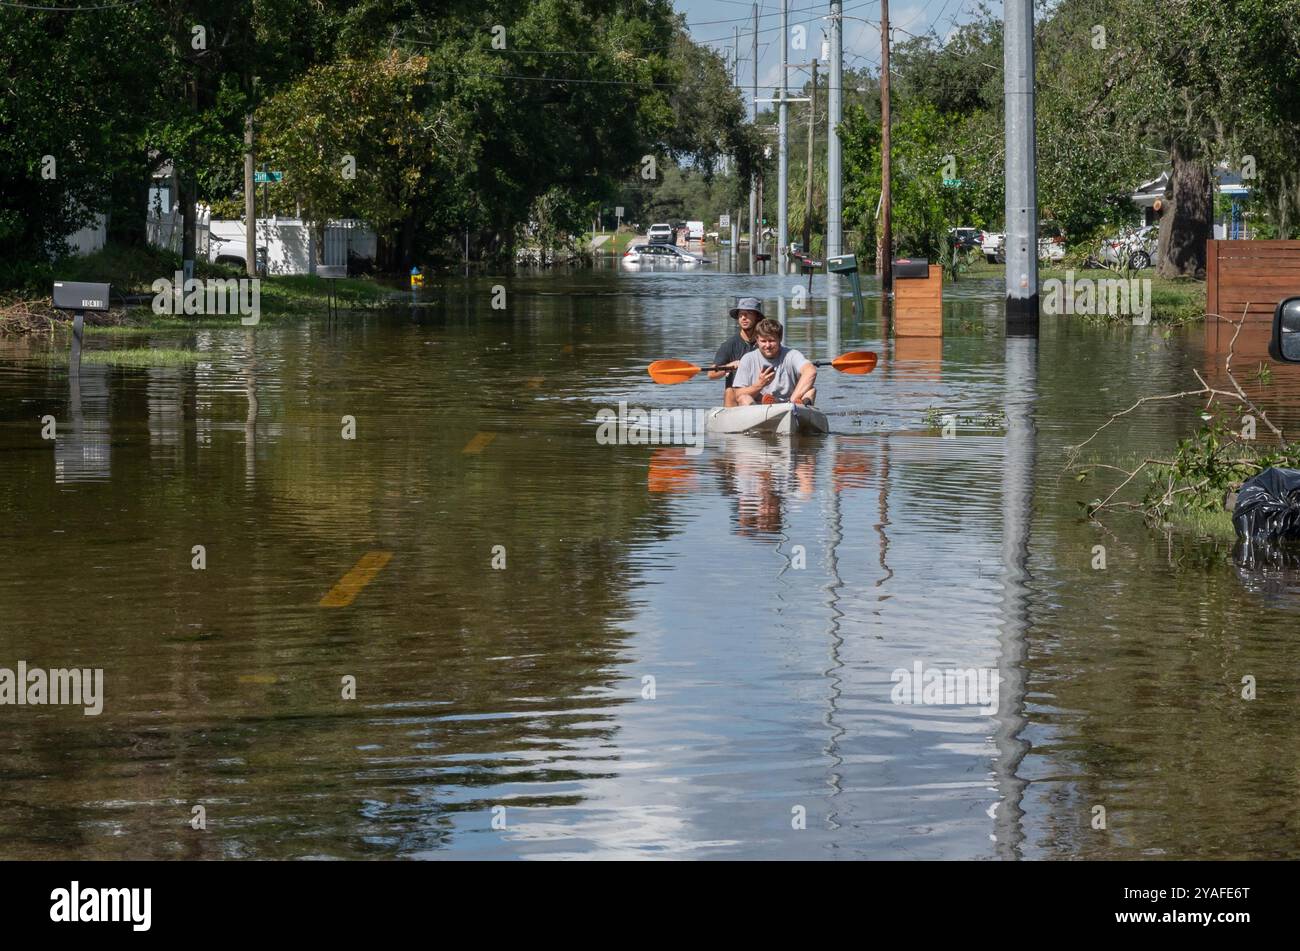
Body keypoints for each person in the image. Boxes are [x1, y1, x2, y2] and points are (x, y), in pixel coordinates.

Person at [731, 318, 817, 406]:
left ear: (780, 339)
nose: (767, 345)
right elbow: (737, 394)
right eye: (763, 341)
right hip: (759, 408)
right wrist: (760, 384)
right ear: (757, 340)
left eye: (771, 341)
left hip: (790, 406)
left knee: (811, 390)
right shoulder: (747, 359)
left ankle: (800, 408)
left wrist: (792, 401)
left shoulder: (792, 354)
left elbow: (811, 371)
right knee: (743, 398)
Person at [709, 297, 761, 407]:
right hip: (736, 397)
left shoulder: (765, 344)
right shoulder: (729, 345)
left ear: (757, 317)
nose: (743, 318)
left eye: (748, 314)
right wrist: (729, 366)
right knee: (729, 391)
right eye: (741, 315)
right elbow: (711, 374)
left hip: (760, 393)